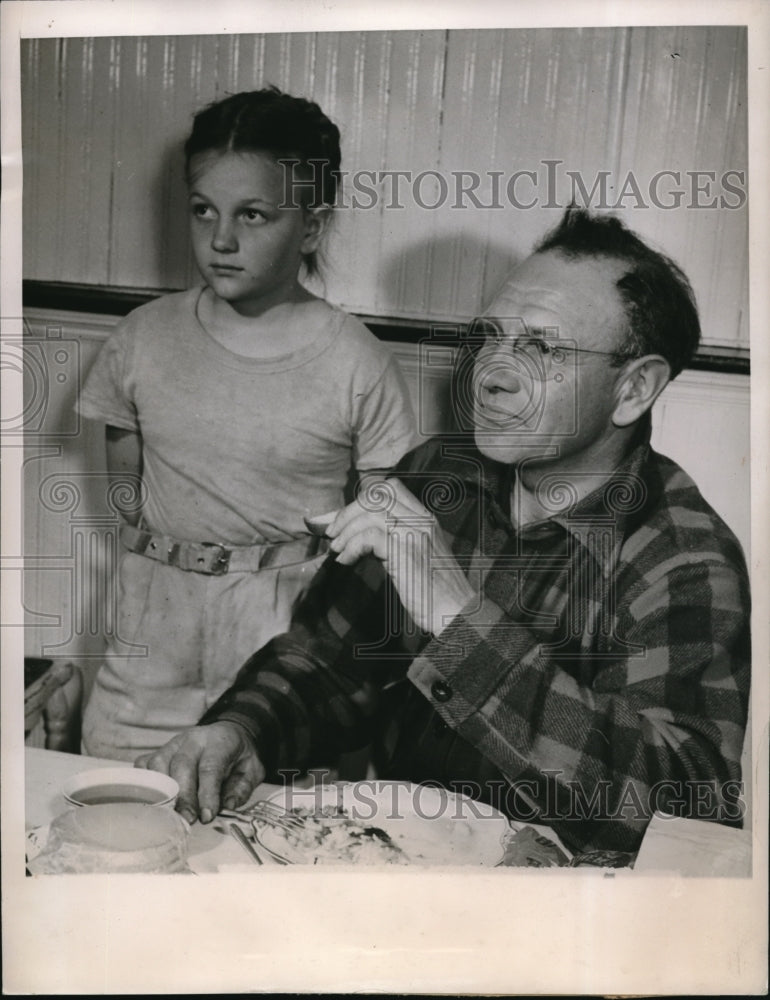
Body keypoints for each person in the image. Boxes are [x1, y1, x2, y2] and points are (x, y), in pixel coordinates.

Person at [138, 207, 750, 854]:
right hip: (399, 862)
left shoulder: (683, 561)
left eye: (541, 347)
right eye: (491, 335)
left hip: (558, 920)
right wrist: (245, 731)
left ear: (634, 390)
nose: (491, 373)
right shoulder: (438, 474)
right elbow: (326, 660)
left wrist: (460, 623)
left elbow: (684, 807)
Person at [76, 88, 418, 761]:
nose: (221, 239)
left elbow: (386, 535)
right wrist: (164, 574)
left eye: (254, 215)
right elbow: (125, 487)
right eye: (204, 211)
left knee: (265, 837)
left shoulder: (358, 364)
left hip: (283, 642)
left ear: (312, 228)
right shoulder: (141, 339)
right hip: (152, 645)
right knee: (118, 815)